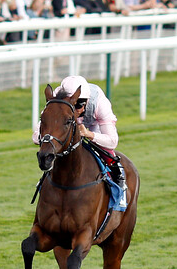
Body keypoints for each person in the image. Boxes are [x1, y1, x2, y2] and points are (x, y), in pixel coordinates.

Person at [32, 75, 128, 210]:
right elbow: (36, 137)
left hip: (93, 124)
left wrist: (88, 134)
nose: (77, 109)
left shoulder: (100, 104)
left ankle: (120, 184)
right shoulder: (56, 102)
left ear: (87, 101)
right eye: (73, 104)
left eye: (79, 104)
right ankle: (45, 183)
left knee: (105, 150)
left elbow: (112, 141)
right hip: (66, 123)